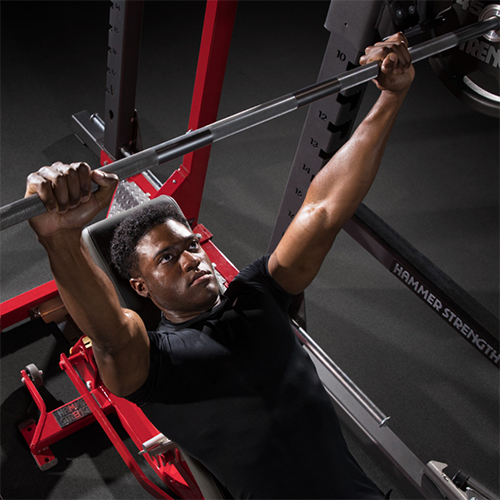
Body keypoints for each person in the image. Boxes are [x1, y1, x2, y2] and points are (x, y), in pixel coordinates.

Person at [26, 34, 414, 499]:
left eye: (191, 245)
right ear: (140, 286)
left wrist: (391, 98)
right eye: (167, 258)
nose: (192, 257)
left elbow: (324, 209)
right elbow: (110, 335)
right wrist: (60, 240)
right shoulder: (156, 363)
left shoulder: (258, 293)